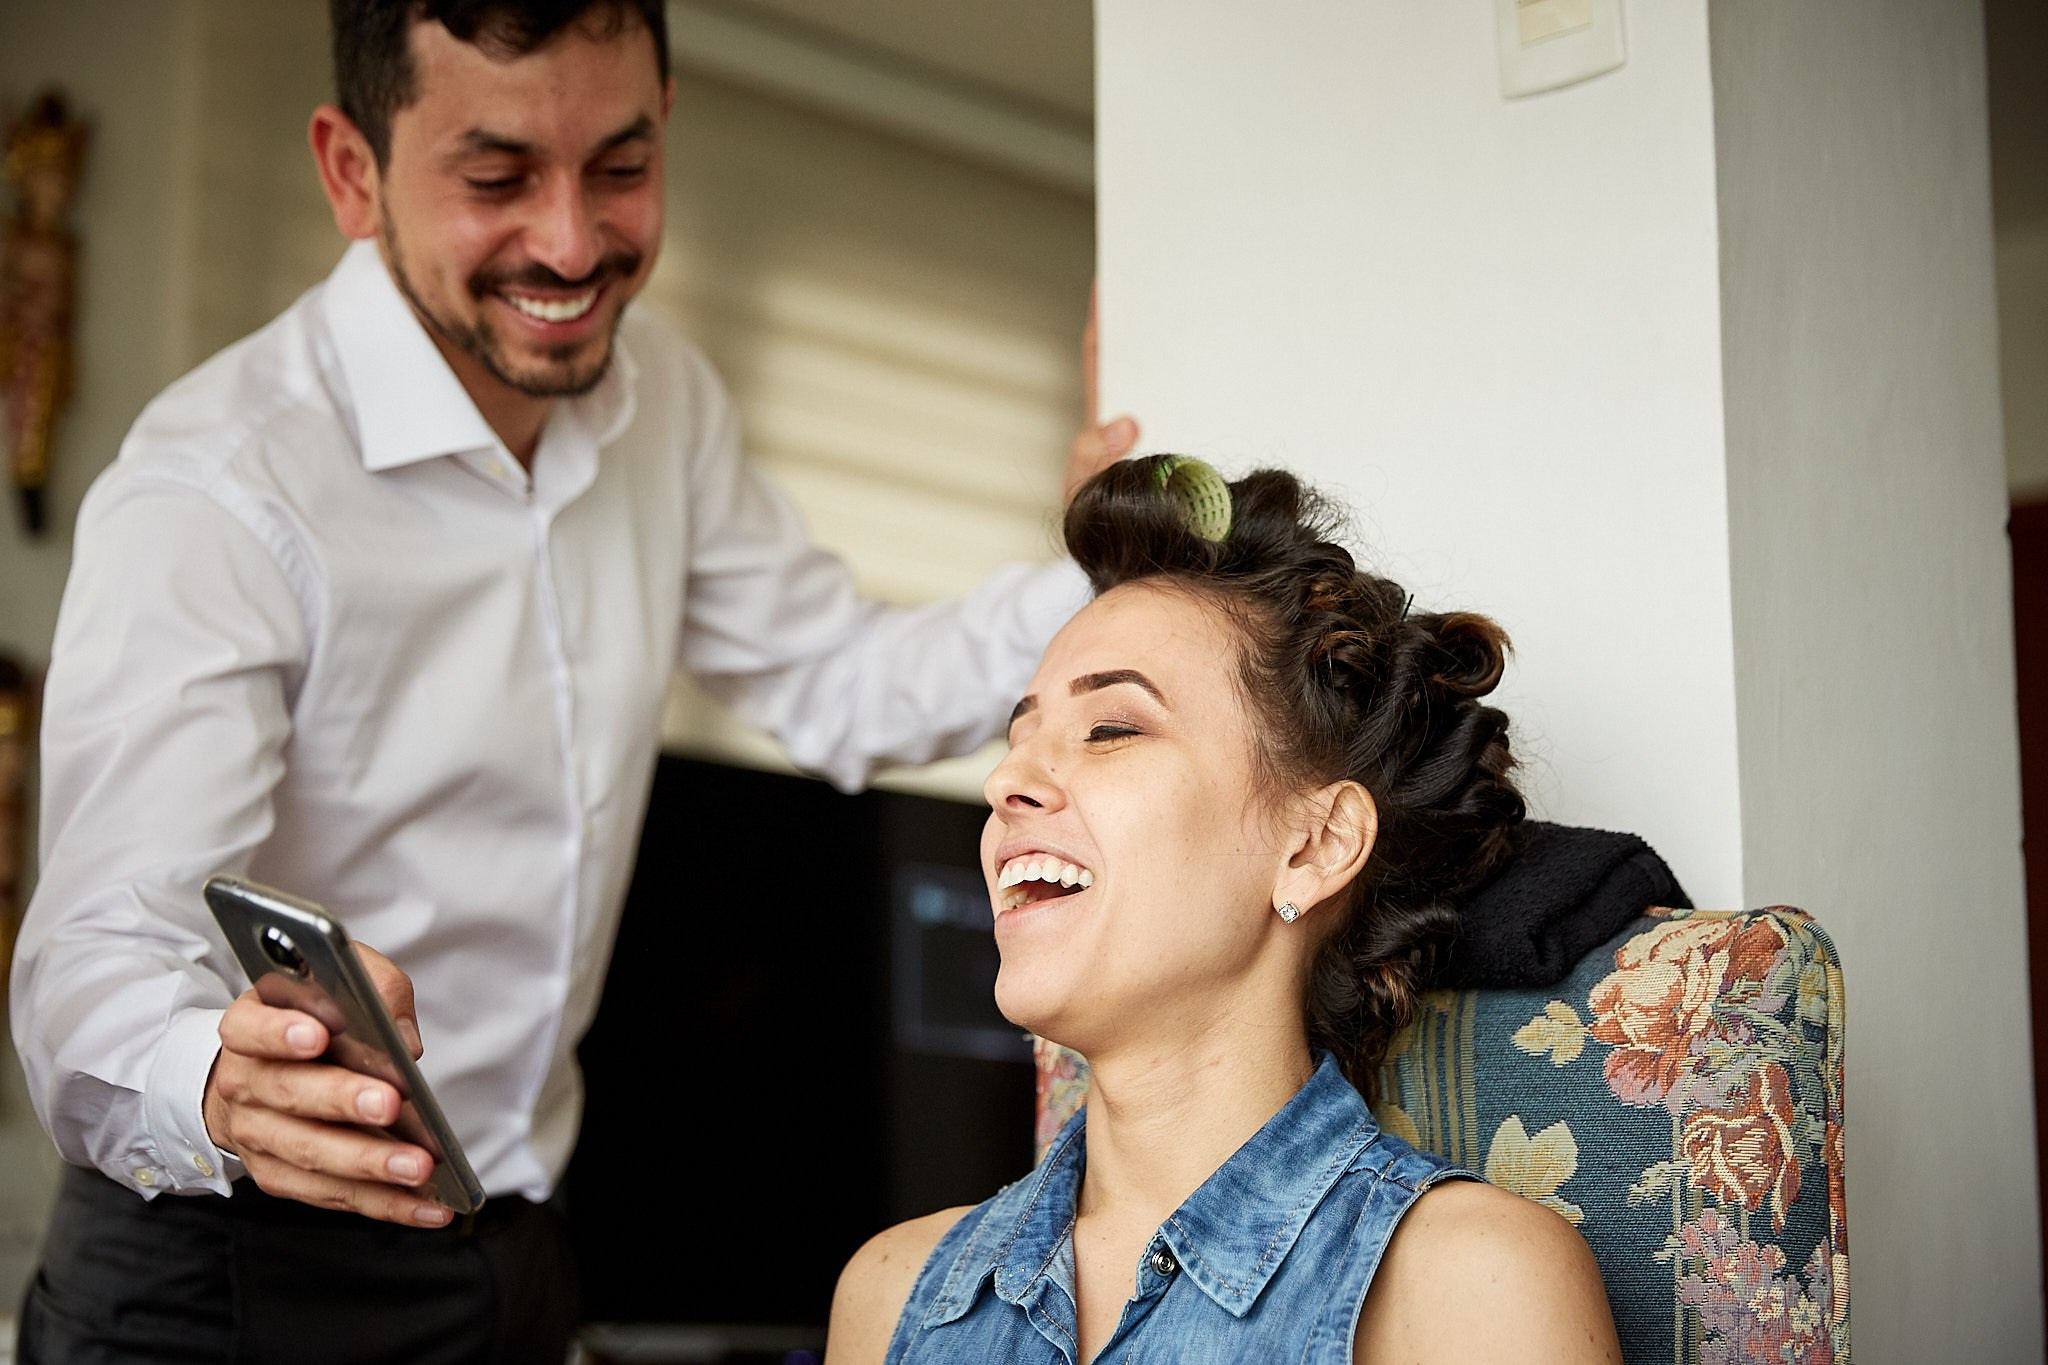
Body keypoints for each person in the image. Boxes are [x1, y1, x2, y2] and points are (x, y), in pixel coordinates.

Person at [9, 2, 1134, 1361]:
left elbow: (840, 681)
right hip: (221, 1274)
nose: (570, 242)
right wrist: (213, 1080)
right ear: (350, 170)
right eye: (495, 179)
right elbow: (89, 966)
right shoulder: (217, 485)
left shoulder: (666, 403)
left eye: (620, 165)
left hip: (513, 1250)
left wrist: (1100, 558)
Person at [827, 457, 1622, 1363]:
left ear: (1315, 844)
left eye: (1111, 728)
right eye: (1017, 741)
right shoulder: (894, 1295)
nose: (1005, 781)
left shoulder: (1469, 1286)